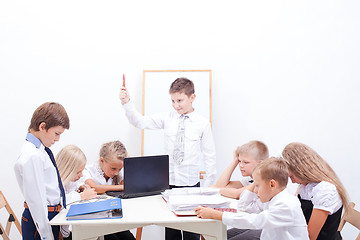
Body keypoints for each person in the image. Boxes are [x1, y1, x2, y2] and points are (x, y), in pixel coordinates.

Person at [119, 77, 217, 240]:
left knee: (191, 232)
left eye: (180, 100)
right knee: (171, 231)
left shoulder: (202, 124)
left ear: (192, 97)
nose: (176, 105)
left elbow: (210, 157)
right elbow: (140, 122)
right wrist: (127, 102)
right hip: (169, 184)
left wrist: (209, 190)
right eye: (172, 100)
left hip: (191, 186)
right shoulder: (167, 118)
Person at [195, 157, 309, 240]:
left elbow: (255, 221)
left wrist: (216, 215)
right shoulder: (272, 200)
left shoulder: (286, 205)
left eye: (257, 186)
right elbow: (244, 207)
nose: (255, 190)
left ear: (272, 184)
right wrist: (252, 186)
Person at [14, 102, 70, 240]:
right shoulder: (32, 156)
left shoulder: (40, 151)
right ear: (42, 126)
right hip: (40, 221)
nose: (57, 139)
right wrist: (46, 235)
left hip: (50, 217)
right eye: (56, 134)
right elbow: (37, 202)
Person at [282, 142, 349, 240]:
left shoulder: (325, 190)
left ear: (301, 170)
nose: (292, 182)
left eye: (292, 177)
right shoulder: (306, 186)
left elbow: (310, 236)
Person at [214, 140, 268, 239]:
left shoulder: (264, 179)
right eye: (240, 161)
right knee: (219, 236)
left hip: (265, 226)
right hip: (253, 222)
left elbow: (236, 194)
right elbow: (220, 186)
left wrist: (215, 189)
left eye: (246, 162)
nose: (241, 165)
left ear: (260, 163)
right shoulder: (249, 180)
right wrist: (234, 161)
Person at [81, 140, 135, 240]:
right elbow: (95, 188)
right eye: (113, 168)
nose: (116, 172)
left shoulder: (118, 171)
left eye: (120, 169)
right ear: (102, 161)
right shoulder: (87, 171)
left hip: (114, 219)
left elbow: (129, 186)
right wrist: (121, 187)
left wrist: (127, 170)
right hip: (96, 222)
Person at [55, 144, 97, 239]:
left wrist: (80, 188)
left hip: (68, 231)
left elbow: (71, 188)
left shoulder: (69, 181)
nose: (81, 175)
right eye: (78, 172)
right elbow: (59, 202)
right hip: (59, 233)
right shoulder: (54, 185)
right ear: (68, 170)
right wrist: (82, 196)